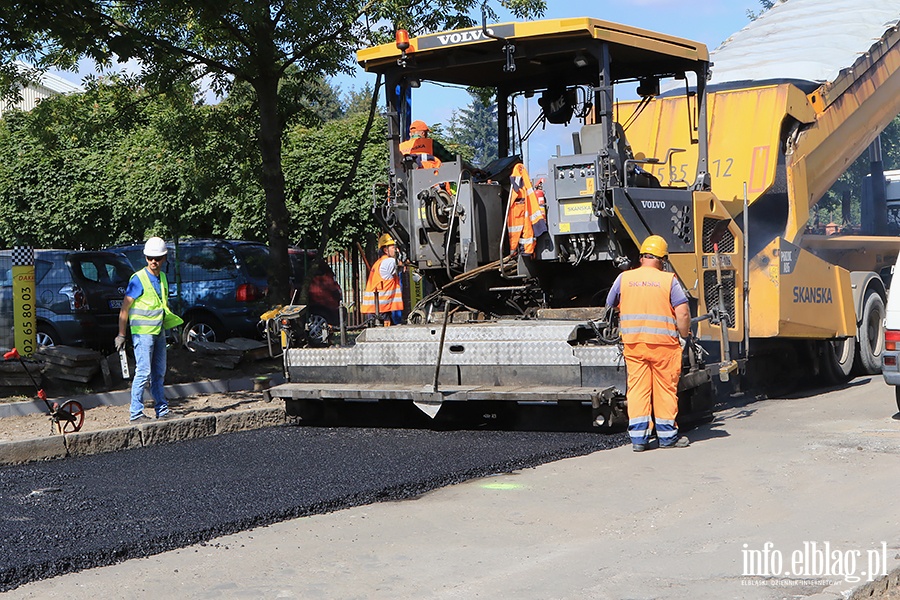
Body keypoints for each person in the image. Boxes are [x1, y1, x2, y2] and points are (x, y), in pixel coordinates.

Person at [606, 235, 692, 452]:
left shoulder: (624, 279)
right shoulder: (668, 280)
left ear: (642, 256)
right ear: (662, 258)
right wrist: (684, 334)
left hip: (634, 345)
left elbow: (611, 304)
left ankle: (639, 440)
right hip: (664, 346)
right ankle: (667, 437)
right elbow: (682, 312)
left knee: (637, 390)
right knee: (664, 390)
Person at [115, 236, 174, 422]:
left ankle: (162, 410)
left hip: (158, 332)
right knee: (144, 372)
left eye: (157, 258)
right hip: (143, 334)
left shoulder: (163, 278)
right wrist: (121, 334)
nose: (153, 262)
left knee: (159, 372)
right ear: (145, 258)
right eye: (150, 258)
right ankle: (136, 413)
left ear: (164, 258)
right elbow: (125, 308)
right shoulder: (138, 278)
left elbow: (161, 305)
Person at [361, 233, 404, 326]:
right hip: (381, 310)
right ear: (385, 250)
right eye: (393, 248)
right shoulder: (388, 261)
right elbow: (401, 263)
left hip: (377, 309)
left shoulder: (379, 263)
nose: (397, 250)